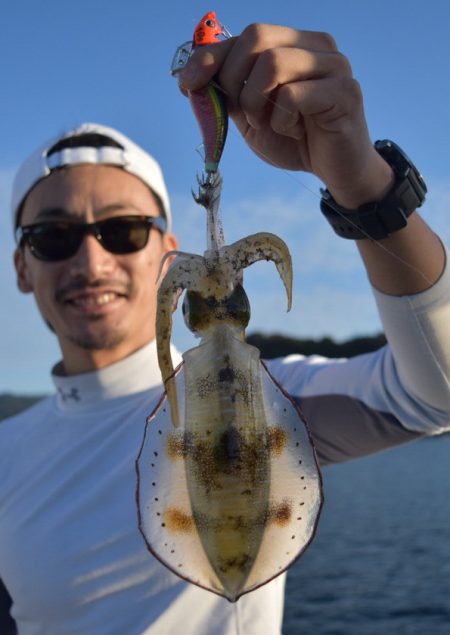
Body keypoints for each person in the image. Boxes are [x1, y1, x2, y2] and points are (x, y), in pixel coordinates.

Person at [1, 23, 449, 635]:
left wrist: (364, 186)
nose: (91, 262)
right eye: (52, 238)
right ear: (21, 267)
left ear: (168, 249)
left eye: (123, 231)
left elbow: (438, 394)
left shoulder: (274, 400)